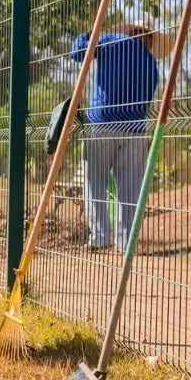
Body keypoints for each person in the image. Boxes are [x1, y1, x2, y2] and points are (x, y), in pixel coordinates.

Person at [69, 22, 169, 252]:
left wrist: (87, 33)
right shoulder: (152, 65)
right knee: (130, 189)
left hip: (102, 125)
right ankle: (126, 243)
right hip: (135, 130)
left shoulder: (111, 41)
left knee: (95, 181)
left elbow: (78, 53)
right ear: (150, 40)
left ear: (130, 33)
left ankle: (100, 236)